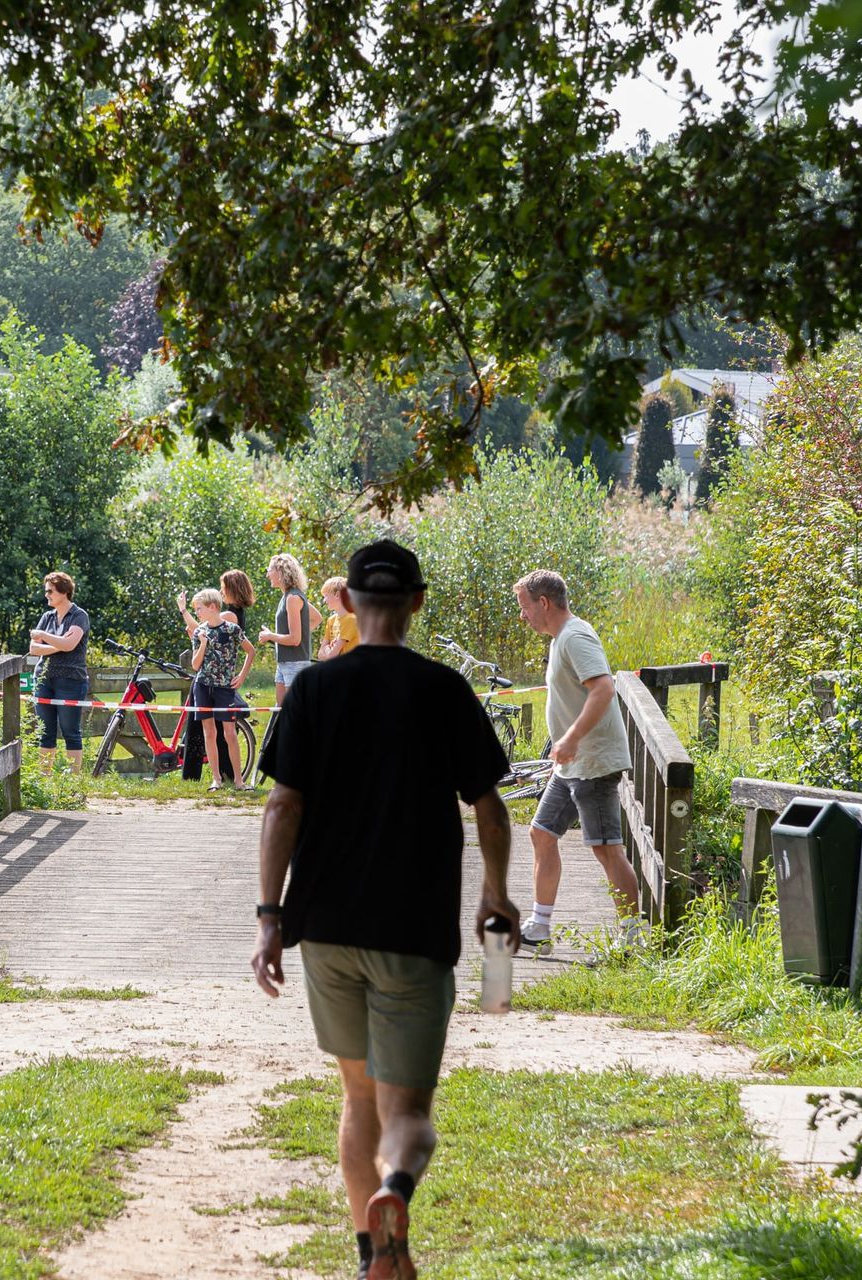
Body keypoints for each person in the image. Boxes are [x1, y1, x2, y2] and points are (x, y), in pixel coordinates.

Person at [252, 539, 517, 1280]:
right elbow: (490, 810)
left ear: (353, 606)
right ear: (416, 603)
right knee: (409, 1117)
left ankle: (374, 1256)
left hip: (326, 930)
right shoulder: (443, 689)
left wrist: (270, 916)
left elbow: (282, 808)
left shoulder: (313, 691)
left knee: (355, 1094)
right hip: (414, 929)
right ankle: (396, 1190)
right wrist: (496, 893)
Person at [513, 569, 640, 953]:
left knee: (606, 849)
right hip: (570, 765)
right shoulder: (559, 639)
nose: (522, 616)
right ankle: (539, 927)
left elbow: (603, 688)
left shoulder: (575, 637)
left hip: (593, 763)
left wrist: (570, 738)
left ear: (544, 603)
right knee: (541, 833)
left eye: (524, 607)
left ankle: (632, 938)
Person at [188, 588, 256, 791]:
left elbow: (250, 651)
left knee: (230, 733)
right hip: (203, 686)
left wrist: (242, 676)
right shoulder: (200, 632)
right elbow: (194, 665)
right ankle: (216, 779)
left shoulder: (232, 629)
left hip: (225, 687)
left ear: (213, 607)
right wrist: (202, 644)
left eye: (199, 609)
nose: (197, 613)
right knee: (209, 732)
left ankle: (238, 780)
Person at [29, 571, 92, 771]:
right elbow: (34, 649)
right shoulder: (47, 617)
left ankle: (73, 781)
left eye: (50, 591)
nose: (46, 595)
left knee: (70, 732)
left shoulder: (79, 616)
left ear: (64, 592)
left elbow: (70, 644)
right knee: (45, 732)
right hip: (43, 680)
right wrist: (60, 644)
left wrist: (45, 636)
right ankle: (44, 780)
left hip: (71, 681)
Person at [259, 553, 322, 704]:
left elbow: (295, 639)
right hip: (284, 663)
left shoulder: (293, 598)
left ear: (280, 572)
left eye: (270, 570)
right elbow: (317, 618)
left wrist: (270, 636)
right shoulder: (288, 596)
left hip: (295, 664)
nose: (268, 574)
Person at [318, 574, 361, 660]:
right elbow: (320, 654)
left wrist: (327, 648)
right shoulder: (331, 620)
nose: (324, 600)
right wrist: (329, 649)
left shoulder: (351, 619)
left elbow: (332, 656)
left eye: (326, 595)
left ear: (337, 595)